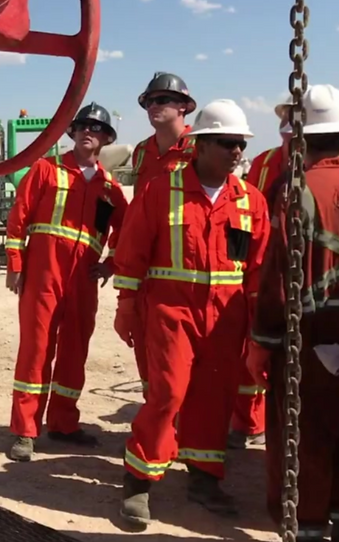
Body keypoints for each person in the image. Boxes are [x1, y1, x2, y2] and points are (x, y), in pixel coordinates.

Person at [112, 99, 270, 523]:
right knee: (167, 393)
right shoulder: (163, 190)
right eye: (227, 143)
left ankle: (203, 476)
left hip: (226, 318)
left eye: (240, 144)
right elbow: (133, 250)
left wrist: (258, 326)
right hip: (171, 310)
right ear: (199, 145)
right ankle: (139, 478)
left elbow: (256, 269)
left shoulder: (249, 201)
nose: (237, 152)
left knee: (214, 398)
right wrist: (126, 305)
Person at [4, 103, 128, 462]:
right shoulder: (46, 170)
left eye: (96, 127)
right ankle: (25, 430)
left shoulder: (110, 189)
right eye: (83, 125)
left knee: (75, 352)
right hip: (44, 274)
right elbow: (20, 217)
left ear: (106, 138)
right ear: (72, 133)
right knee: (36, 350)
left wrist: (111, 265)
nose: (89, 130)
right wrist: (16, 263)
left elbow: (127, 229)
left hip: (83, 281)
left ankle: (63, 423)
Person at [247, 84, 339, 542]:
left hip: (307, 338)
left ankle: (307, 524)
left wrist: (261, 344)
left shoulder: (295, 187)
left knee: (304, 435)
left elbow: (279, 274)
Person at [229, 98, 295, 450]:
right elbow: (243, 215)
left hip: (303, 268)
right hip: (260, 265)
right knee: (252, 343)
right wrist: (239, 263)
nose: (288, 123)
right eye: (285, 116)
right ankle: (249, 422)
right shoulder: (264, 162)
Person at [128, 72, 198, 394]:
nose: (153, 106)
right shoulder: (141, 151)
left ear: (184, 106)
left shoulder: (201, 146)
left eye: (162, 100)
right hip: (148, 258)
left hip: (188, 261)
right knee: (146, 339)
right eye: (149, 101)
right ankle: (155, 415)